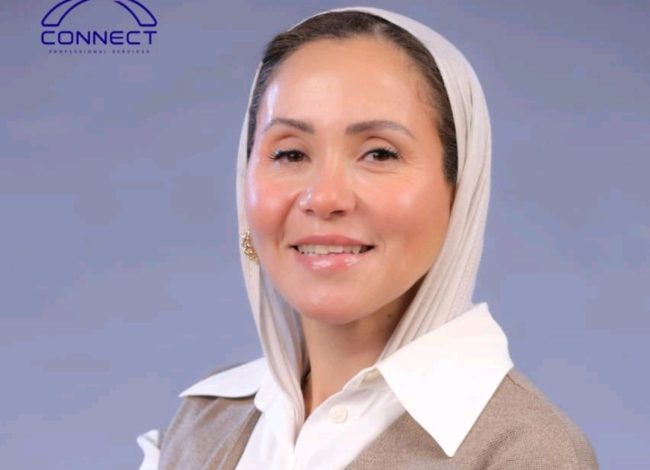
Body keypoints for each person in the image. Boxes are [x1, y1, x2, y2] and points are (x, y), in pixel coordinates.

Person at [137, 6, 599, 469]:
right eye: (291, 154)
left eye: (379, 153)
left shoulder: (527, 452)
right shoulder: (203, 424)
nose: (324, 198)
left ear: (461, 190)